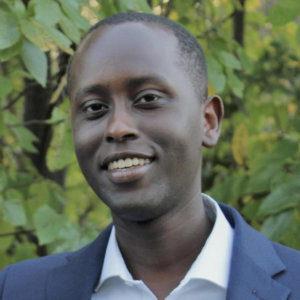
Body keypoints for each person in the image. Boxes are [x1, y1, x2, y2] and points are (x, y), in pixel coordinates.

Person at [0, 12, 300, 300]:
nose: (118, 128)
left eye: (148, 99)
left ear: (209, 121)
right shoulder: (19, 291)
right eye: (94, 107)